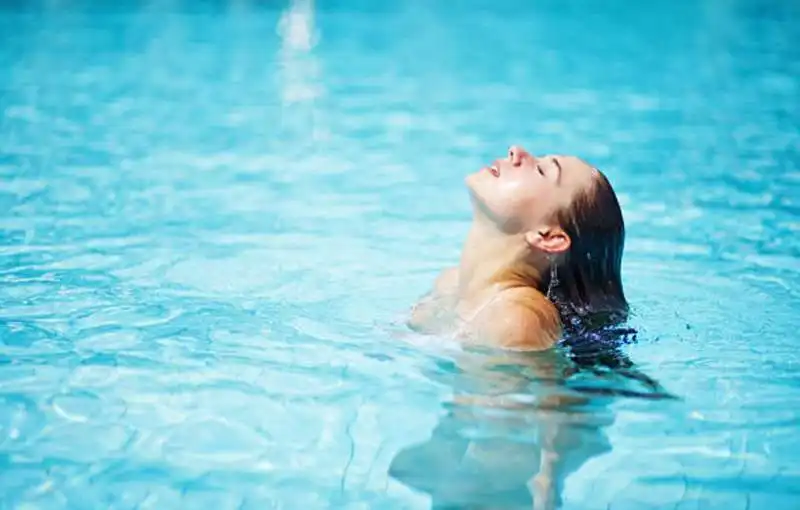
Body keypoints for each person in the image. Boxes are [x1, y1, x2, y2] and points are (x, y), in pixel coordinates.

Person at [408, 144, 629, 351]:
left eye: (542, 171)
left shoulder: (519, 320)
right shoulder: (449, 283)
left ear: (549, 237)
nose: (516, 151)